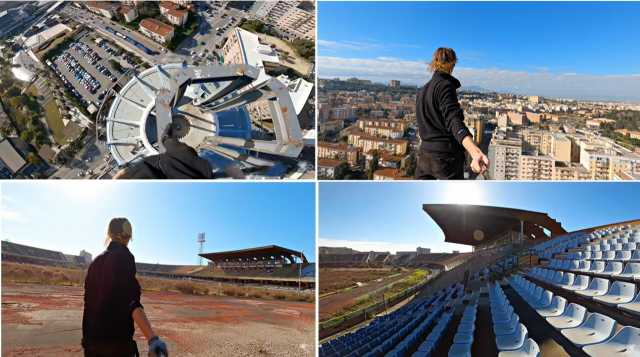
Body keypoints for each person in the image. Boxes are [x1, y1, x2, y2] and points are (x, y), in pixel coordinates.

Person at [82, 218, 169, 357]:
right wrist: (152, 339)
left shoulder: (95, 262)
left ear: (110, 233)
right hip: (116, 345)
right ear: (129, 236)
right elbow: (131, 302)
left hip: (91, 344)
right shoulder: (124, 257)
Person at [416, 47, 490, 179]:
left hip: (424, 157)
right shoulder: (445, 86)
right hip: (445, 160)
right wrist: (475, 152)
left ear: (434, 62)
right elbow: (454, 121)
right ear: (452, 64)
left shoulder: (421, 91)